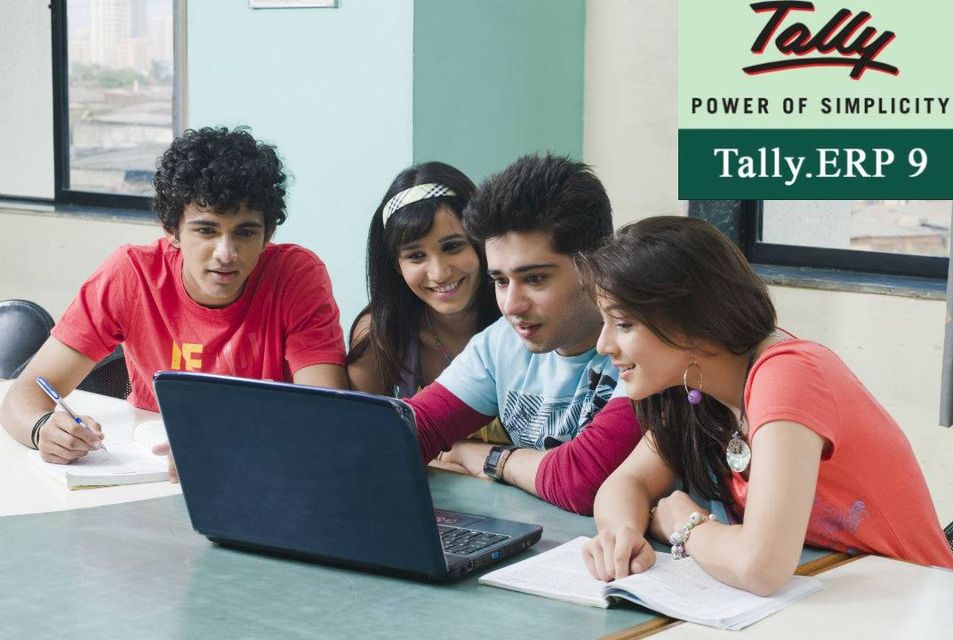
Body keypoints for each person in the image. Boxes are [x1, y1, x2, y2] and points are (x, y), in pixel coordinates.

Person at [578, 216, 953, 595]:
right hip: (834, 600)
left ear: (692, 322)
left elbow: (760, 567)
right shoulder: (695, 391)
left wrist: (684, 522)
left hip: (917, 605)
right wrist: (623, 534)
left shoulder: (788, 375)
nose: (603, 345)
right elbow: (625, 483)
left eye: (623, 325)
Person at [0, 126, 349, 469]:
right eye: (206, 230)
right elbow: (22, 395)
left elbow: (327, 414)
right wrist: (42, 429)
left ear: (267, 233)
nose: (226, 253)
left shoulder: (295, 276)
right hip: (148, 471)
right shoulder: (132, 275)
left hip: (263, 465)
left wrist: (222, 445)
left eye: (245, 232)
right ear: (172, 230)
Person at [406, 154, 645, 515]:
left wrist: (488, 457)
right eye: (501, 281)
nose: (511, 305)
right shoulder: (499, 342)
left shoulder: (646, 343)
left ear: (595, 264)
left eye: (534, 278)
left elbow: (586, 481)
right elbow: (405, 434)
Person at [347, 161, 508, 447]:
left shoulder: (524, 321)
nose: (439, 273)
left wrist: (458, 455)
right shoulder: (378, 336)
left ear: (481, 242)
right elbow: (365, 445)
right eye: (416, 256)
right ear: (396, 265)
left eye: (452, 246)